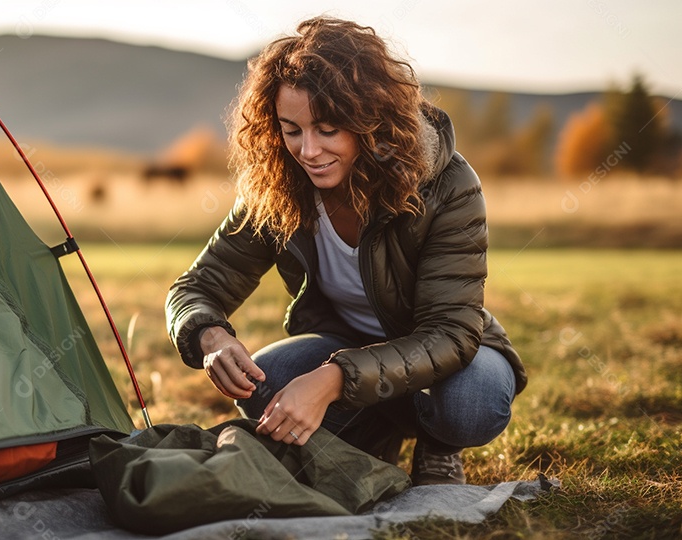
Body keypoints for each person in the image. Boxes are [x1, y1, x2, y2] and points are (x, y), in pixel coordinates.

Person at [165, 16, 527, 485]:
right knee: (261, 386)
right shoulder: (277, 185)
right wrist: (210, 336)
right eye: (291, 130)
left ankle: (439, 445)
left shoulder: (448, 185)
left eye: (327, 129)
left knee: (470, 404)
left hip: (449, 355)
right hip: (344, 343)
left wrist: (332, 379)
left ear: (370, 120)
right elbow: (196, 287)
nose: (308, 151)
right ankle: (373, 433)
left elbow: (449, 336)